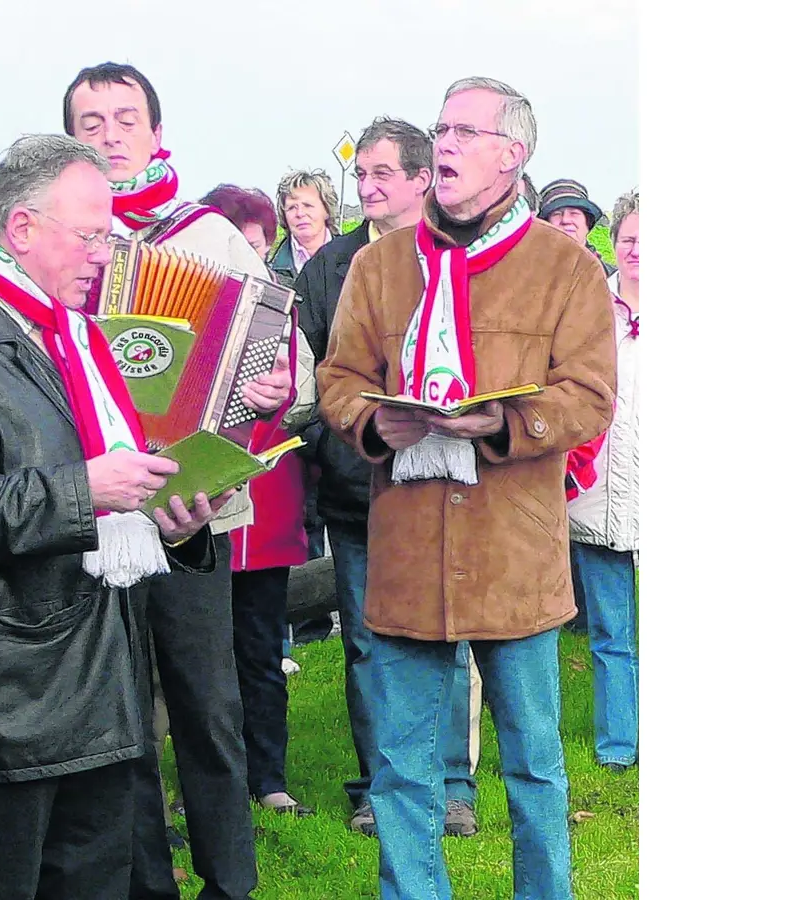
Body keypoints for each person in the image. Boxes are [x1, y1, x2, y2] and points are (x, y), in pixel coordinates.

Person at [0, 133, 233, 900]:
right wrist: (84, 489)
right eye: (91, 235)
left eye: (109, 234)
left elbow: (111, 474)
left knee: (97, 878)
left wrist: (177, 521)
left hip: (100, 671)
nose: (106, 254)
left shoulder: (69, 330)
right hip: (8, 693)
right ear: (24, 229)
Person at [316, 77, 617, 900]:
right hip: (407, 550)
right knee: (402, 767)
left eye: (465, 132)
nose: (443, 143)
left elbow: (589, 395)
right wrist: (378, 424)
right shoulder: (379, 265)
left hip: (514, 555)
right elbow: (338, 379)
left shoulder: (566, 268)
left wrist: (505, 423)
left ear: (512, 155)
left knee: (534, 765)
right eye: (440, 128)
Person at [63, 60, 302, 900]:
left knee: (207, 707)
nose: (109, 134)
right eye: (89, 123)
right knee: (117, 717)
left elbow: (292, 359)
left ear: (157, 133)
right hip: (91, 514)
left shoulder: (207, 235)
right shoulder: (61, 242)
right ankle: (143, 882)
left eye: (124, 118)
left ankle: (230, 882)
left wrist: (276, 385)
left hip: (192, 509)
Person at [292, 114, 482, 840]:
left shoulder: (462, 254)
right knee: (369, 641)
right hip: (357, 488)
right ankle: (380, 784)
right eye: (359, 174)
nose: (365, 187)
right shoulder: (327, 268)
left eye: (380, 174)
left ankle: (452, 783)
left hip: (448, 486)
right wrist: (334, 439)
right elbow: (309, 376)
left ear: (420, 179)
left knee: (450, 632)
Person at [198, 183, 316, 817]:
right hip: (198, 507)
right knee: (201, 657)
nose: (244, 255)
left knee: (262, 649)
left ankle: (268, 775)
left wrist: (285, 393)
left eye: (253, 243)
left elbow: (305, 390)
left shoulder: (281, 310)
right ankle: (209, 780)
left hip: (264, 501)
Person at [567, 188, 639, 773]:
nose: (639, 251)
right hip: (600, 497)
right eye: (630, 240)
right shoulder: (591, 306)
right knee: (610, 633)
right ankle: (620, 745)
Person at [269, 170, 341, 287]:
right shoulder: (271, 271)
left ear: (327, 210)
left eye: (308, 205)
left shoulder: (354, 259)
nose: (300, 213)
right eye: (292, 207)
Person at [538, 177, 616, 277]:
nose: (565, 220)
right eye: (557, 214)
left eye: (574, 213)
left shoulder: (613, 279)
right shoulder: (526, 272)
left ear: (587, 223)